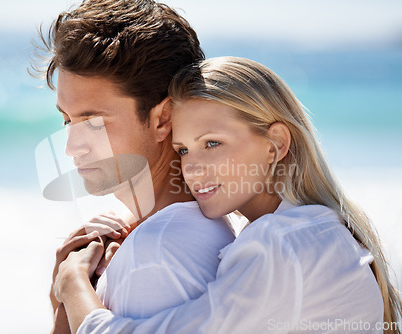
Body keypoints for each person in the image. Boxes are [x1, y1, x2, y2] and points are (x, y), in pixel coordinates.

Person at [54, 57, 402, 333]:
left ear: (276, 144)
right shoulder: (313, 230)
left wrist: (71, 283)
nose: (193, 168)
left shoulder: (282, 245)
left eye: (213, 143)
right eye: (184, 149)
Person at [32, 0, 238, 333]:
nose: (71, 147)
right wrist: (63, 300)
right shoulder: (176, 228)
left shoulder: (155, 253)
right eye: (66, 120)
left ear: (163, 118)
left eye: (94, 122)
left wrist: (70, 287)